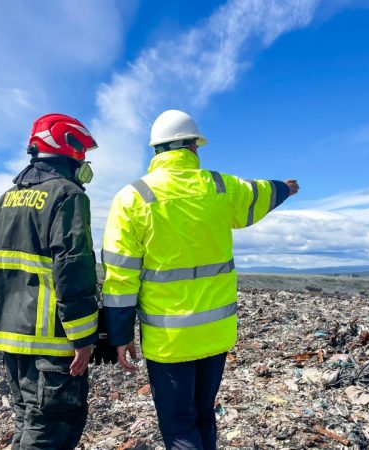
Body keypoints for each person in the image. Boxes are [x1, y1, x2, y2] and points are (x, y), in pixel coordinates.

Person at [101, 109, 299, 449]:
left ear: (156, 150)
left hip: (169, 341)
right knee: (204, 414)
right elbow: (260, 193)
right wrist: (286, 188)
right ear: (193, 146)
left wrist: (118, 335)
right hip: (215, 333)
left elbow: (120, 277)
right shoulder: (220, 188)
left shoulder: (131, 198)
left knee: (179, 427)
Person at [0, 113, 101, 449]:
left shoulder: (6, 199)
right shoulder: (67, 195)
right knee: (52, 428)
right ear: (71, 149)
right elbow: (73, 269)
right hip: (51, 342)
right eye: (81, 153)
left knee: (26, 420)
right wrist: (83, 338)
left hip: (10, 337)